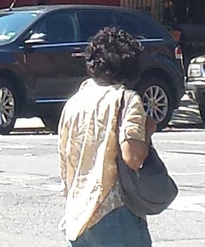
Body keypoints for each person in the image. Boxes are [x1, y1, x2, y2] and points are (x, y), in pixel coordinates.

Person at [57, 26, 155, 247]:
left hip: (77, 213)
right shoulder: (126, 99)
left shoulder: (75, 102)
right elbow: (133, 157)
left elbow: (65, 157)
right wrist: (147, 131)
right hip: (113, 209)